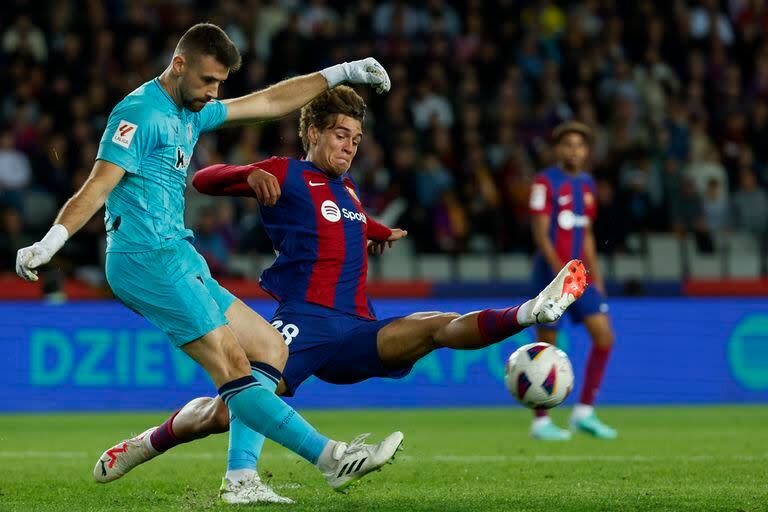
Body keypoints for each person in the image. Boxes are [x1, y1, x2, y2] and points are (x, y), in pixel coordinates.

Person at [91, 85, 588, 504]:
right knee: (233, 405)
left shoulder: (347, 191)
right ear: (312, 133)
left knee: (434, 327)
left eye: (356, 138)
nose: (349, 146)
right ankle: (191, 461)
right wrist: (247, 175)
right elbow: (203, 178)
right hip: (302, 323)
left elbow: (341, 220)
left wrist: (376, 230)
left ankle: (528, 311)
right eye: (339, 135)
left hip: (355, 329)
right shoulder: (285, 172)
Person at [15, 23, 403, 500]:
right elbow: (97, 185)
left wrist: (339, 71)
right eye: (208, 82)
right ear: (179, 65)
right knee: (234, 366)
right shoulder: (138, 113)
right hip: (143, 259)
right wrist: (50, 242)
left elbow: (266, 103)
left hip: (179, 253)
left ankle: (233, 477)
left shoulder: (190, 110)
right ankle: (332, 459)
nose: (214, 93)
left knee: (270, 350)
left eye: (220, 83)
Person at [528, 121, 618, 441]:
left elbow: (587, 235)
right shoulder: (544, 182)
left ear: (587, 151)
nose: (574, 150)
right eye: (568, 145)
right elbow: (541, 232)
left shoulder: (588, 184)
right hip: (551, 276)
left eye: (580, 145)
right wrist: (558, 273)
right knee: (546, 348)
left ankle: (584, 413)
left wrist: (597, 276)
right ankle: (541, 422)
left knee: (604, 337)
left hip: (580, 277)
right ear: (558, 149)